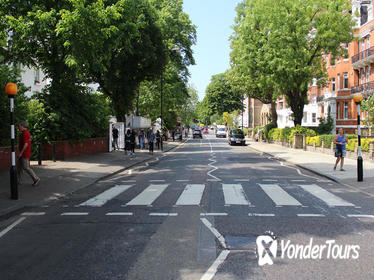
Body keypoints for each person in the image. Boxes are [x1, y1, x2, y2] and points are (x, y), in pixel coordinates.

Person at [17, 121, 40, 186]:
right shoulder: (24, 133)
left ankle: (36, 179)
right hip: (23, 153)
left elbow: (26, 144)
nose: (18, 128)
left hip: (24, 154)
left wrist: (21, 153)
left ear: (22, 126)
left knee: (26, 167)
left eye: (19, 126)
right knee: (19, 168)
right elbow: (28, 141)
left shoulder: (25, 133)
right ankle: (18, 181)